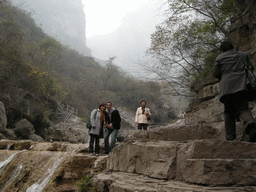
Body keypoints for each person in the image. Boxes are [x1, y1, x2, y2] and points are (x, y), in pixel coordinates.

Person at [213, 40, 256, 142]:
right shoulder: (242, 54)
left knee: (229, 112)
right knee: (243, 109)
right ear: (232, 47)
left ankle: (230, 137)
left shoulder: (219, 58)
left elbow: (216, 73)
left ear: (222, 49)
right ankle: (251, 126)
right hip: (242, 86)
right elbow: (252, 67)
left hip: (227, 88)